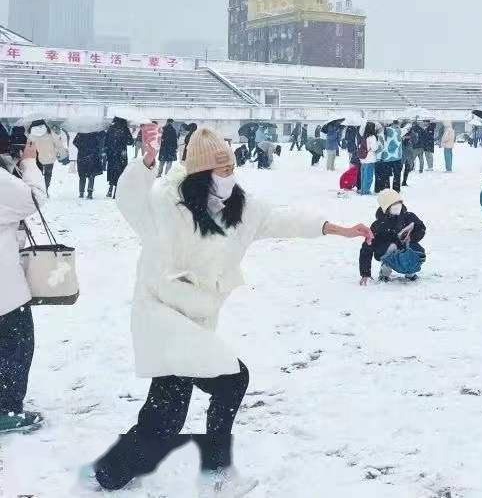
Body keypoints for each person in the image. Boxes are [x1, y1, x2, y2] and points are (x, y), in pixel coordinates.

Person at [83, 128, 371, 492]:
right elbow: (129, 200)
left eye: (231, 168)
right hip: (163, 315)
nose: (229, 178)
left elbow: (284, 219)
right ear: (200, 174)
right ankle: (213, 468)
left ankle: (111, 472)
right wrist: (147, 161)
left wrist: (336, 228)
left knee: (167, 414)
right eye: (221, 171)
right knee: (227, 383)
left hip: (197, 321)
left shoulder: (242, 208)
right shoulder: (166, 205)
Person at [0, 142, 47, 434]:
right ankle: (5, 409)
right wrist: (29, 163)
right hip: (4, 290)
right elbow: (35, 198)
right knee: (15, 348)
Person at [359, 189, 427, 284]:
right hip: (386, 251)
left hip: (404, 248)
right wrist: (365, 273)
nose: (397, 206)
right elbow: (367, 248)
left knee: (417, 249)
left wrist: (412, 236)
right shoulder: (378, 225)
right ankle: (385, 271)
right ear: (386, 207)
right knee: (391, 247)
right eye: (393, 204)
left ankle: (410, 271)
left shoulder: (408, 216)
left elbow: (421, 228)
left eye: (399, 203)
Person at [27, 120, 63, 194]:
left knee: (39, 175)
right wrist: (59, 153)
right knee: (48, 175)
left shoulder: (32, 134)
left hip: (38, 157)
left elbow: (29, 142)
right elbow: (58, 143)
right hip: (50, 157)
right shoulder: (50, 132)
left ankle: (40, 190)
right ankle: (45, 190)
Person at [105, 117, 134, 199]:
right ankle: (116, 193)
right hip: (122, 154)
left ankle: (110, 190)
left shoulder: (111, 128)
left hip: (112, 154)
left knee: (112, 171)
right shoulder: (125, 129)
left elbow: (106, 141)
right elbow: (130, 141)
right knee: (120, 172)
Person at [73, 130, 105, 199]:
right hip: (92, 156)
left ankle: (81, 193)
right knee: (91, 175)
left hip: (82, 156)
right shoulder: (95, 133)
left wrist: (81, 148)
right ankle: (90, 193)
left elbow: (75, 142)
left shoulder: (81, 132)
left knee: (82, 175)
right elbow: (100, 143)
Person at [358, 122, 380, 195]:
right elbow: (374, 148)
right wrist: (378, 144)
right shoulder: (372, 137)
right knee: (369, 177)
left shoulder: (363, 136)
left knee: (363, 176)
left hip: (363, 159)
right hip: (369, 159)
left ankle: (362, 189)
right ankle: (366, 191)